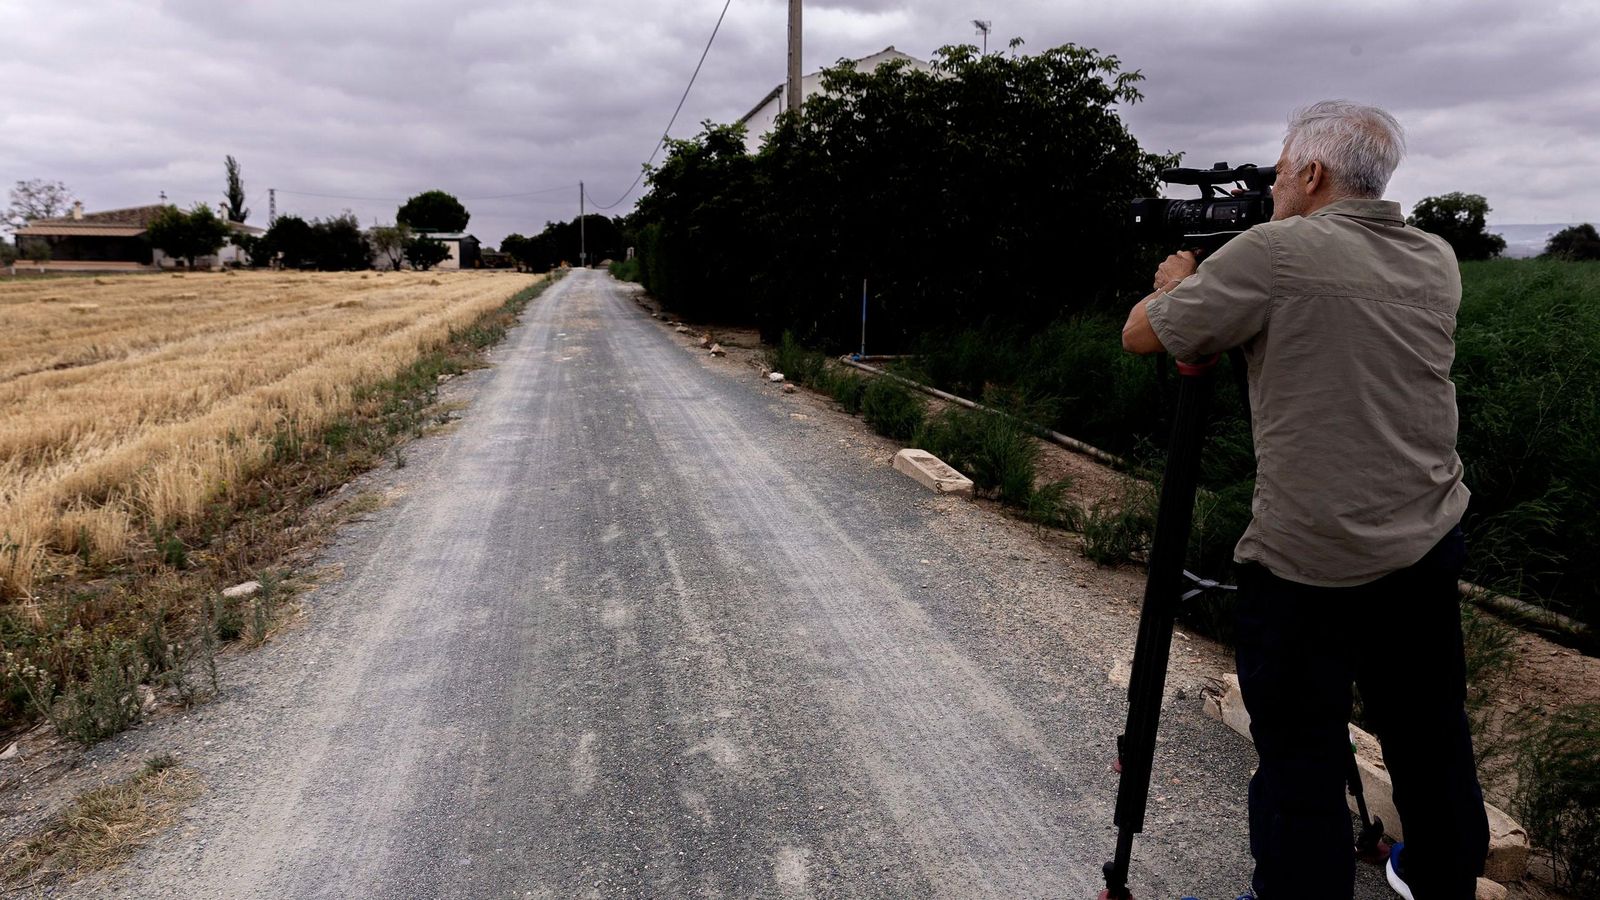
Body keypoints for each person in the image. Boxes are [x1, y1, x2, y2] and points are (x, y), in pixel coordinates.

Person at [1119, 100, 1489, 900]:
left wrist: (1184, 281)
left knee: (1299, 746)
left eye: (1283, 170)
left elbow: (1145, 335)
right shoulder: (1435, 257)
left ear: (1313, 173)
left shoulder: (1274, 253)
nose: (1275, 185)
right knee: (1430, 731)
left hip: (1306, 559)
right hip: (1425, 541)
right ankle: (1440, 875)